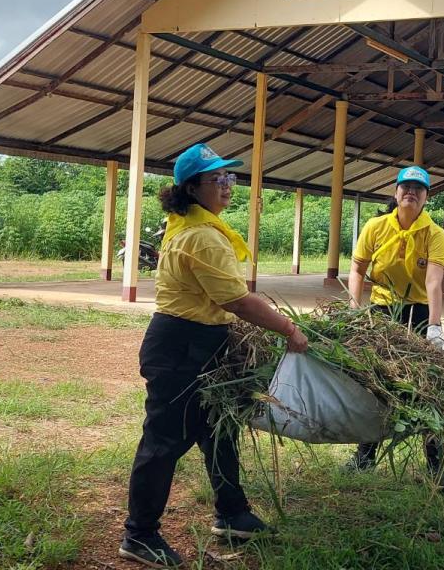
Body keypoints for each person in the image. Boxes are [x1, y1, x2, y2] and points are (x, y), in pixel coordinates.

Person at [120, 144, 309, 567]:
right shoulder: (203, 237)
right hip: (180, 345)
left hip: (202, 341)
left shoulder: (188, 223)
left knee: (218, 430)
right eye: (217, 179)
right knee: (164, 440)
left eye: (230, 177)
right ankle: (139, 534)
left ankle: (232, 513)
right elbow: (238, 300)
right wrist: (289, 329)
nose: (227, 185)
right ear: (192, 188)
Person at [346, 165, 444, 491]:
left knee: (425, 390)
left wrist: (434, 327)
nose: (410, 192)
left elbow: (433, 282)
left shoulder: (434, 233)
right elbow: (357, 268)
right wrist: (354, 311)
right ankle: (364, 456)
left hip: (417, 314)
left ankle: (438, 468)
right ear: (395, 192)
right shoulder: (376, 227)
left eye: (418, 189)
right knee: (376, 382)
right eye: (405, 187)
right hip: (381, 313)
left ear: (425, 198)